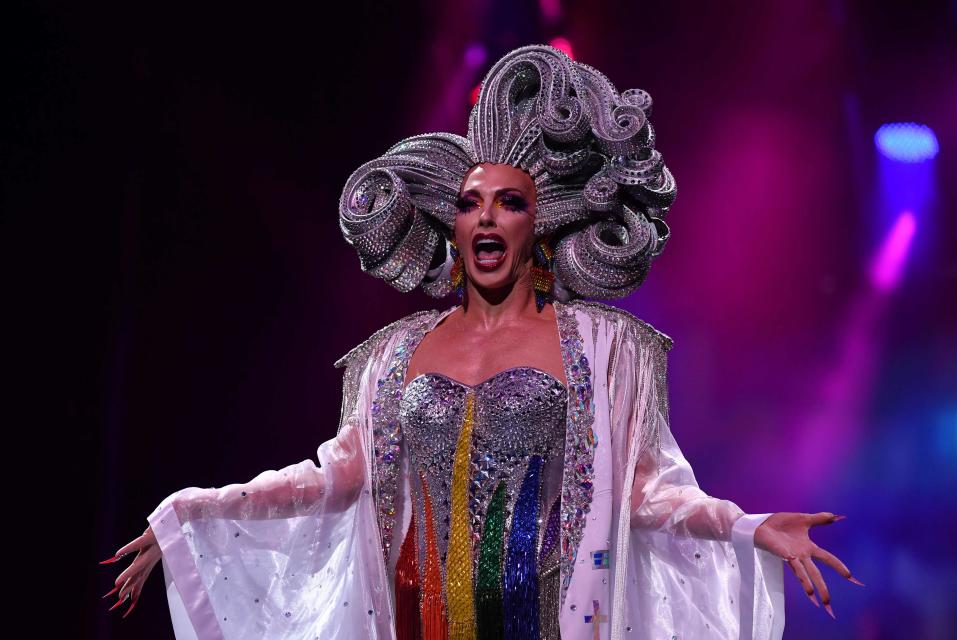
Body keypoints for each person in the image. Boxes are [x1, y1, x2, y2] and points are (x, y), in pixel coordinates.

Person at [100, 44, 862, 640]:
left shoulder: (603, 348)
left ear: (542, 223)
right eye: (471, 204)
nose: (488, 218)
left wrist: (749, 526)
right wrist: (192, 513)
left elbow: (646, 489)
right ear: (453, 225)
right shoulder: (392, 357)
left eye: (509, 203)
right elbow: (333, 476)